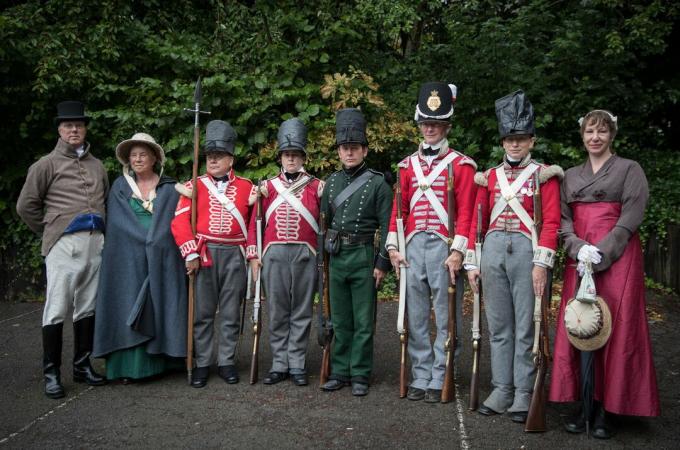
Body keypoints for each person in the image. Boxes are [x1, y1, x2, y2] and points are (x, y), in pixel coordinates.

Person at [549, 109, 660, 438]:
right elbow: (563, 218)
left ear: (612, 134)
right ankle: (584, 401)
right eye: (589, 132)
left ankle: (609, 408)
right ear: (582, 136)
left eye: (601, 132)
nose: (595, 138)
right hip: (580, 258)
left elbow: (631, 215)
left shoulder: (630, 169)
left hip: (617, 259)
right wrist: (576, 247)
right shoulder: (569, 175)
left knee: (616, 328)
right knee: (581, 324)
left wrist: (602, 252)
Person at [465, 90, 562, 423]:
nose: (515, 145)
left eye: (521, 139)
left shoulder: (544, 175)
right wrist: (472, 262)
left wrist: (541, 263)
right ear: (503, 141)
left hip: (526, 252)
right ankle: (502, 388)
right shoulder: (488, 177)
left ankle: (524, 392)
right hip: (491, 250)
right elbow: (476, 221)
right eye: (510, 139)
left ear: (531, 141)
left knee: (526, 327)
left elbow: (551, 222)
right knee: (498, 326)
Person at [386, 82, 477, 403]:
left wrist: (458, 252)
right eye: (425, 123)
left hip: (444, 249)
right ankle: (421, 373)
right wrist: (393, 247)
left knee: (445, 314)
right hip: (412, 247)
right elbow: (400, 209)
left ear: (446, 126)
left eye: (436, 124)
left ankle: (442, 373)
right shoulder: (406, 165)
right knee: (416, 314)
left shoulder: (462, 165)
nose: (429, 129)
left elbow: (467, 211)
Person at [16, 101, 108, 399]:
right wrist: (51, 231)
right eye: (68, 125)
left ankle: (82, 366)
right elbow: (26, 205)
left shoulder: (97, 165)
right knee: (56, 307)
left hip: (95, 242)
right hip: (63, 244)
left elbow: (104, 200)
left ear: (85, 129)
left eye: (78, 125)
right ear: (59, 130)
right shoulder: (46, 165)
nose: (74, 130)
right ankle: (51, 373)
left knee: (87, 305)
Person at [92, 133, 187, 382]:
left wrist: (157, 243)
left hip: (163, 257)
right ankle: (128, 368)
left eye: (143, 154)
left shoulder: (169, 188)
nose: (137, 159)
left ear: (155, 157)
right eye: (133, 155)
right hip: (127, 258)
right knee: (126, 302)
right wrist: (142, 241)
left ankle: (164, 362)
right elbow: (117, 224)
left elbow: (176, 221)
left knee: (163, 302)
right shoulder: (120, 187)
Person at [171, 120, 254, 388]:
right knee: (203, 313)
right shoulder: (193, 185)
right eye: (210, 156)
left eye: (219, 156)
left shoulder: (246, 187)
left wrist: (251, 254)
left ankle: (227, 361)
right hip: (204, 253)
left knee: (231, 312)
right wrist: (190, 253)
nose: (213, 160)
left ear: (231, 159)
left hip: (234, 254)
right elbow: (180, 221)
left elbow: (254, 225)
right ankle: (203, 362)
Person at [319, 108, 393, 396]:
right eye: (344, 148)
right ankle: (340, 371)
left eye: (354, 148)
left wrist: (382, 263)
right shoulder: (332, 183)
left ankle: (360, 372)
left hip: (363, 255)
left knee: (363, 320)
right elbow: (324, 223)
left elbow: (387, 227)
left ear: (364, 150)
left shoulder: (378, 183)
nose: (349, 153)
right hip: (337, 257)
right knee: (340, 317)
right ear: (339, 151)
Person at [246, 118, 324, 387]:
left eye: (296, 155)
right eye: (287, 154)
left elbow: (324, 223)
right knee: (278, 311)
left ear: (303, 157)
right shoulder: (266, 187)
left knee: (302, 311)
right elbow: (253, 223)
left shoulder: (317, 186)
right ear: (281, 157)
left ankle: (297, 363)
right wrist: (254, 255)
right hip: (274, 254)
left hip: (306, 254)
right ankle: (279, 363)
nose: (291, 159)